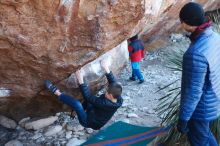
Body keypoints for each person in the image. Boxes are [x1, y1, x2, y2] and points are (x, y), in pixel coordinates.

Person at [177, 2, 220, 146]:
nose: (181, 24)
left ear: (187, 23)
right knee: (205, 135)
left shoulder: (195, 53)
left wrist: (183, 118)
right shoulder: (214, 37)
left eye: (182, 21)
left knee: (199, 141)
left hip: (200, 109)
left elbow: (193, 91)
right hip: (214, 98)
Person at [44, 61, 123, 130]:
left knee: (77, 104)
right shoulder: (118, 98)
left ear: (111, 96)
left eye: (107, 93)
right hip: (94, 112)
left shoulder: (105, 104)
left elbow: (87, 97)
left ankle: (56, 91)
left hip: (89, 122)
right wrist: (106, 68)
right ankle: (75, 112)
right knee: (90, 98)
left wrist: (80, 79)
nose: (105, 93)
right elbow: (113, 83)